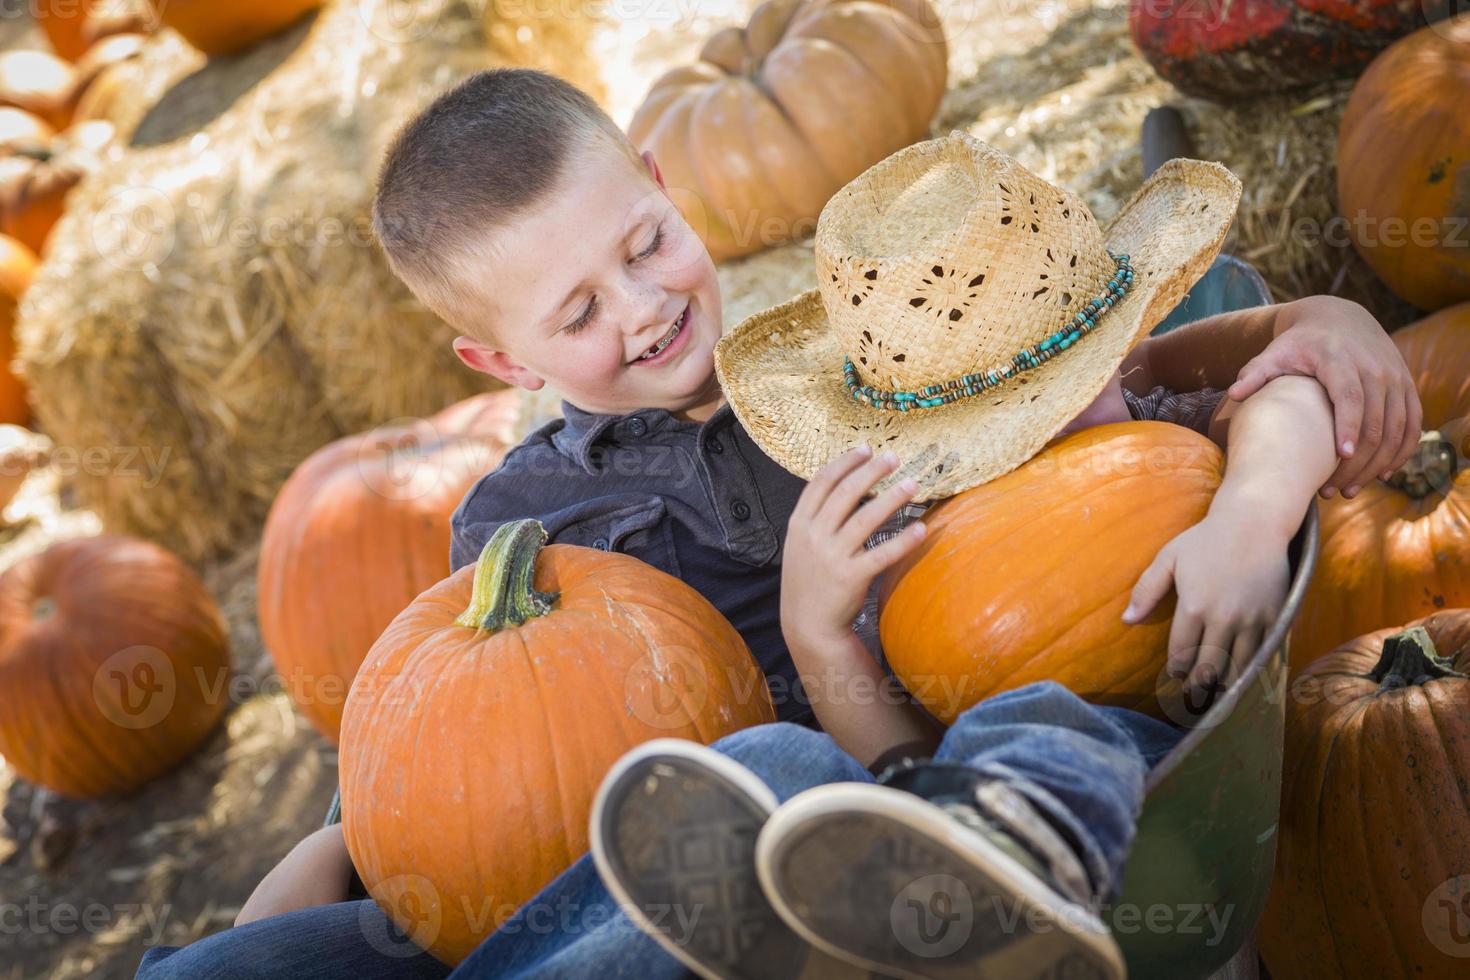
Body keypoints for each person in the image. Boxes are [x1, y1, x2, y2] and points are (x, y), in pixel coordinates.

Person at [135, 69, 1419, 980]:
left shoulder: (883, 364)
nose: (638, 307)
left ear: (658, 181)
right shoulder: (517, 523)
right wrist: (325, 862)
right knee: (368, 931)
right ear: (493, 358)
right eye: (574, 314)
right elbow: (468, 756)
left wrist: (1323, 327)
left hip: (892, 761)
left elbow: (1168, 383)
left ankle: (997, 856)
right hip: (667, 833)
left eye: (644, 243)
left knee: (834, 774)